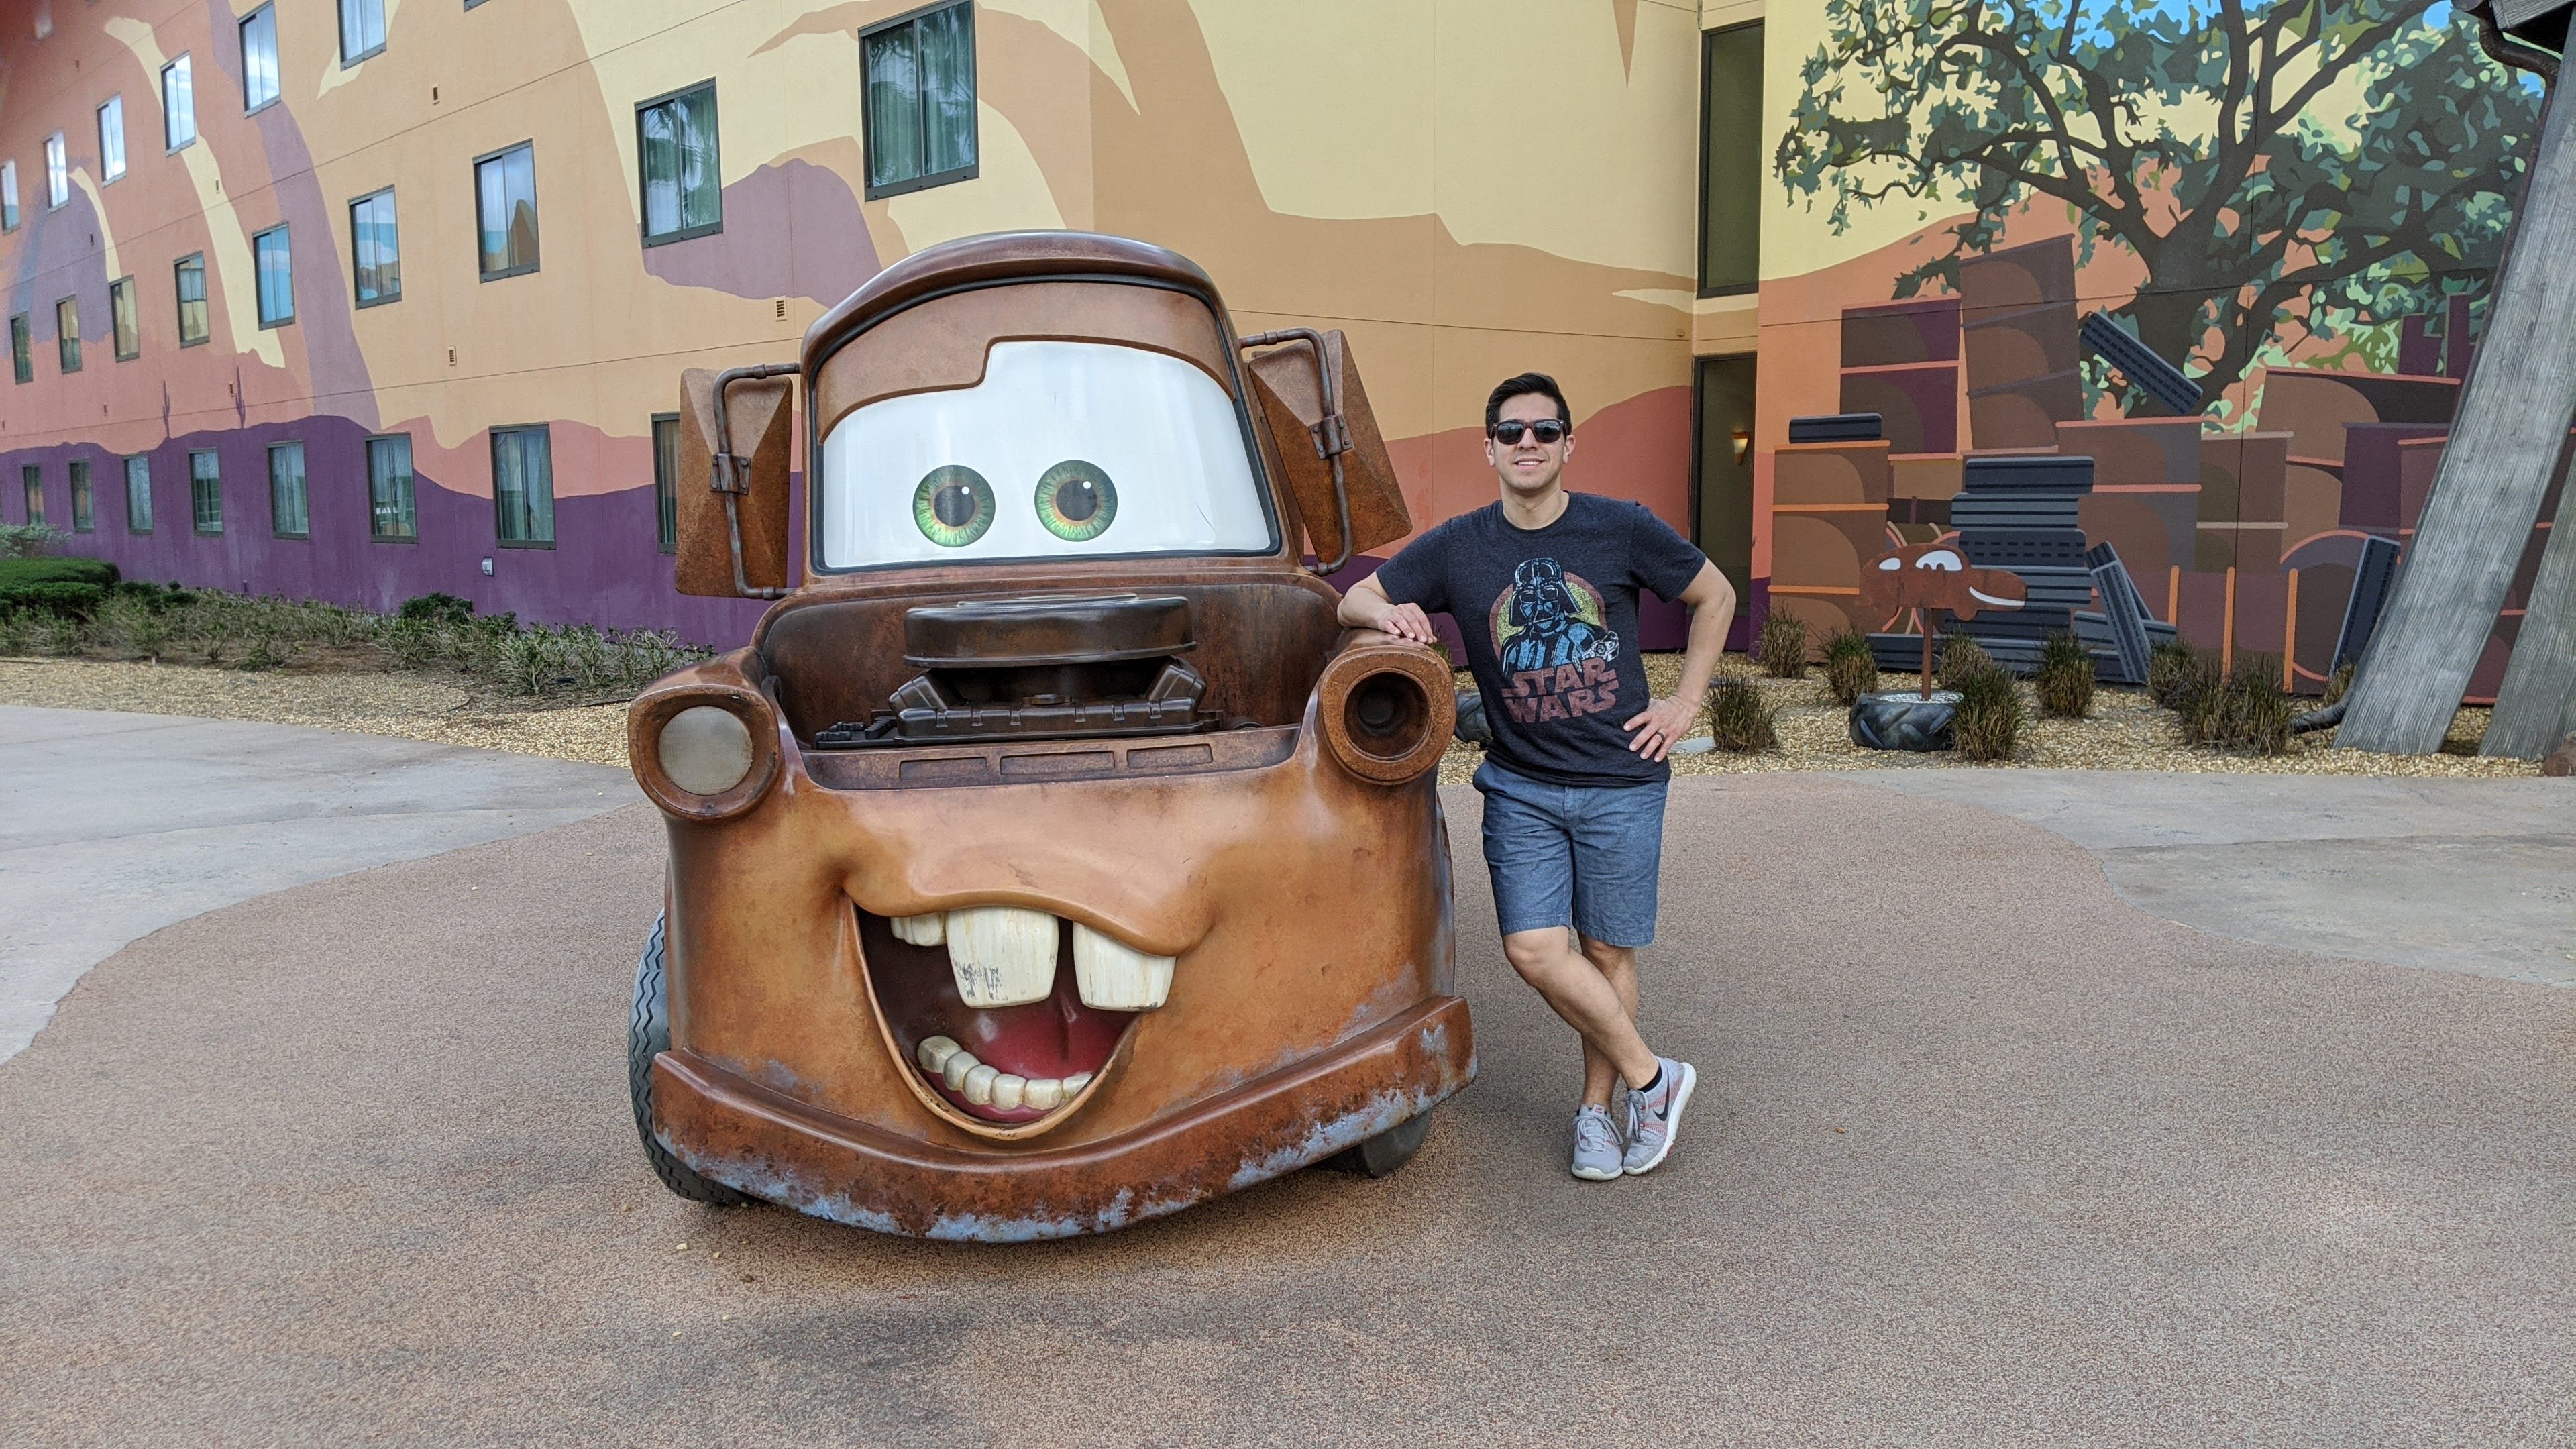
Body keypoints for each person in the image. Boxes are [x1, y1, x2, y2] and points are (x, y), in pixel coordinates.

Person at [1338, 372, 1736, 1179]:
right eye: (1512, 432)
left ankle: (1597, 1114)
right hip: (1521, 785)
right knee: (1533, 946)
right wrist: (1387, 612)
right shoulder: (1459, 546)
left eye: (1544, 431)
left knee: (1606, 951)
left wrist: (1685, 704)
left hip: (1623, 777)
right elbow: (1355, 598)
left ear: (1568, 445)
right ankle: (1655, 1080)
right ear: (1488, 449)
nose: (1528, 443)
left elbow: (1716, 594)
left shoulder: (1620, 527)